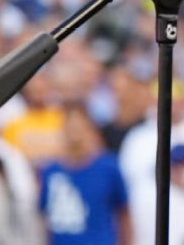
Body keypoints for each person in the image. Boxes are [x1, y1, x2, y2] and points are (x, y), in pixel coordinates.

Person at [38, 104, 130, 245]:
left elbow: (124, 213)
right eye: (70, 127)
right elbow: (44, 218)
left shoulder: (107, 167)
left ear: (90, 130)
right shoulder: (50, 171)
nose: (75, 134)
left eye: (79, 127)